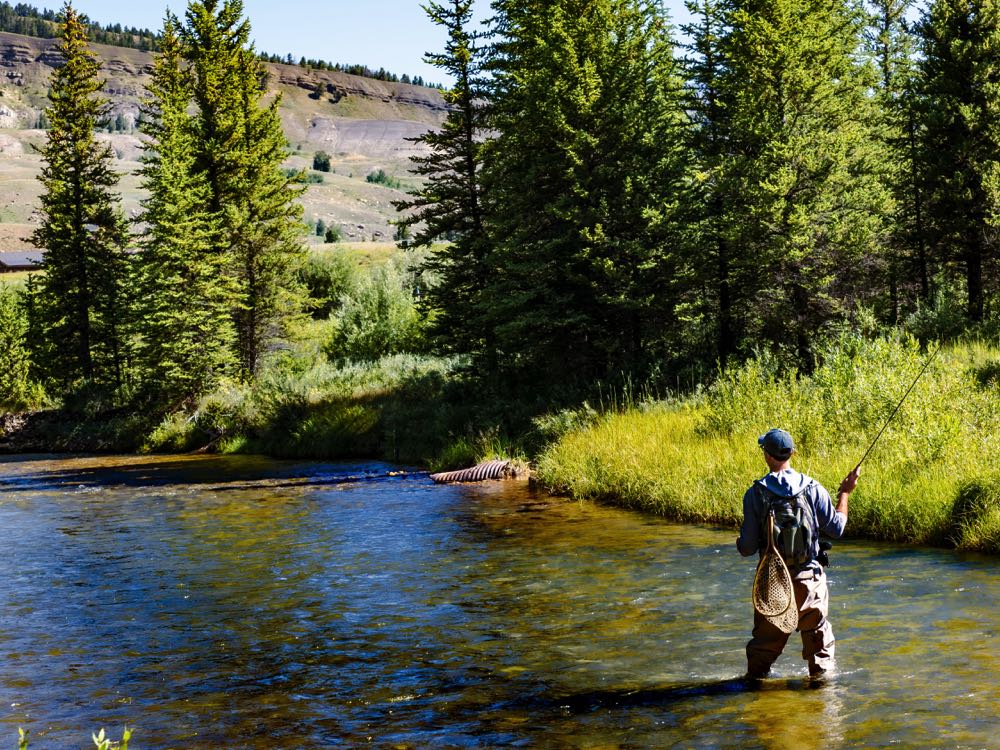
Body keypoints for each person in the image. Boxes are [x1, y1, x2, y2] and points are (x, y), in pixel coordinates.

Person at [737, 428, 859, 680]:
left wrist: (741, 541)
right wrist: (845, 492)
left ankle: (756, 700)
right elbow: (837, 528)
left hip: (773, 585)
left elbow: (747, 549)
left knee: (762, 654)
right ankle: (823, 709)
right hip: (809, 579)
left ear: (767, 456)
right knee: (819, 648)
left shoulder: (755, 494)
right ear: (792, 453)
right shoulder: (812, 488)